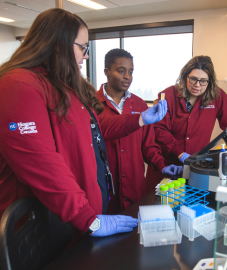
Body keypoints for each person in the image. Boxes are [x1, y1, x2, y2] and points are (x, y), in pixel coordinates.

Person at [0, 8, 167, 244]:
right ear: (59, 44)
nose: (86, 56)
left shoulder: (65, 86)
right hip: (38, 228)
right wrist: (87, 218)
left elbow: (99, 130)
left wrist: (140, 119)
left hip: (72, 218)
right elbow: (41, 162)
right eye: (83, 48)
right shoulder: (19, 84)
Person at [146, 55, 227, 192]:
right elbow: (159, 130)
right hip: (167, 167)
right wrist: (179, 154)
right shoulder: (168, 96)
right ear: (185, 76)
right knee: (160, 205)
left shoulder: (217, 97)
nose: (197, 85)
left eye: (203, 81)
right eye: (193, 79)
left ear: (210, 82)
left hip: (197, 169)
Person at [96, 48, 183, 214]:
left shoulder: (140, 106)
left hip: (134, 189)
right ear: (106, 72)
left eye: (130, 71)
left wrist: (162, 165)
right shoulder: (92, 104)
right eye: (121, 71)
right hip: (105, 190)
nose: (127, 76)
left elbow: (148, 145)